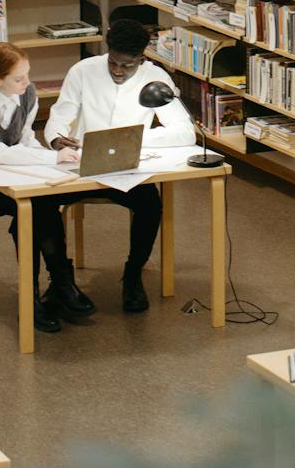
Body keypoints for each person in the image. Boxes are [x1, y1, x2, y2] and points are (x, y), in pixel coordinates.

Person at [43, 18, 197, 312]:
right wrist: (57, 140)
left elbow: (185, 131)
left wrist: (137, 142)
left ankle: (132, 275)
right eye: (113, 62)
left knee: (151, 206)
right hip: (80, 169)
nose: (117, 70)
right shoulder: (83, 72)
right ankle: (61, 279)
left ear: (142, 60)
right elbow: (59, 118)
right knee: (42, 205)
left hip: (127, 171)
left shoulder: (156, 79)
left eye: (127, 66)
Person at [0, 42, 95, 333]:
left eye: (27, 75)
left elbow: (26, 139)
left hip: (16, 177)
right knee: (35, 206)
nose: (27, 83)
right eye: (19, 78)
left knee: (38, 203)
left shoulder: (26, 94)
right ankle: (57, 285)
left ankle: (45, 291)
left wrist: (51, 159)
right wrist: (51, 157)